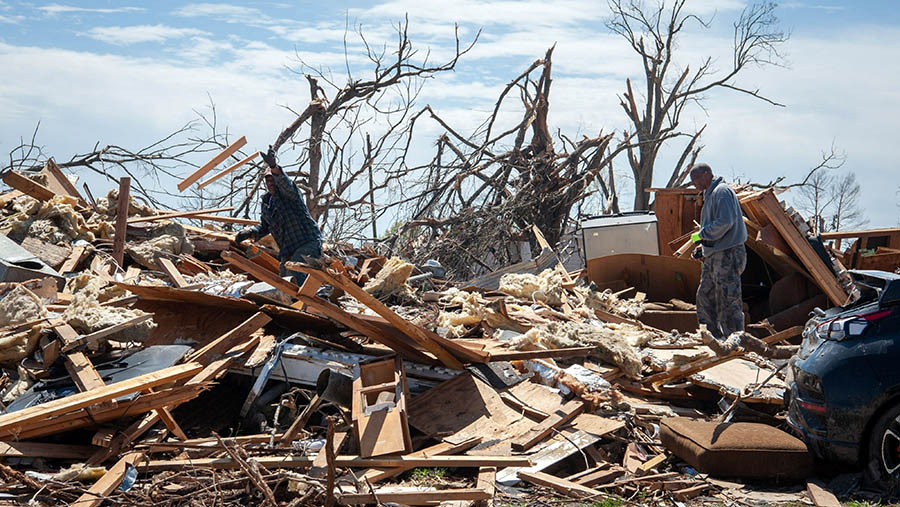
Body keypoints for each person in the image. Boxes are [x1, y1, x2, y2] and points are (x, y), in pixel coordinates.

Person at [235, 147, 322, 286]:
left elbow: (285, 183)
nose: (271, 184)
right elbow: (264, 226)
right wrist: (249, 232)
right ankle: (292, 303)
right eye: (267, 181)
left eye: (273, 180)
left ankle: (303, 304)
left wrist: (273, 166)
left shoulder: (290, 195)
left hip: (307, 242)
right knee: (284, 279)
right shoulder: (266, 202)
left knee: (296, 269)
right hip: (288, 248)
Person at [689, 162, 748, 340]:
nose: (694, 184)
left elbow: (725, 222)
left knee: (728, 299)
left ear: (707, 174)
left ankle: (735, 340)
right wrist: (703, 246)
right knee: (705, 294)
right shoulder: (709, 195)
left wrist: (701, 235)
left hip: (728, 253)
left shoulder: (721, 191)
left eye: (696, 179)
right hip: (715, 254)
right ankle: (711, 337)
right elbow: (715, 229)